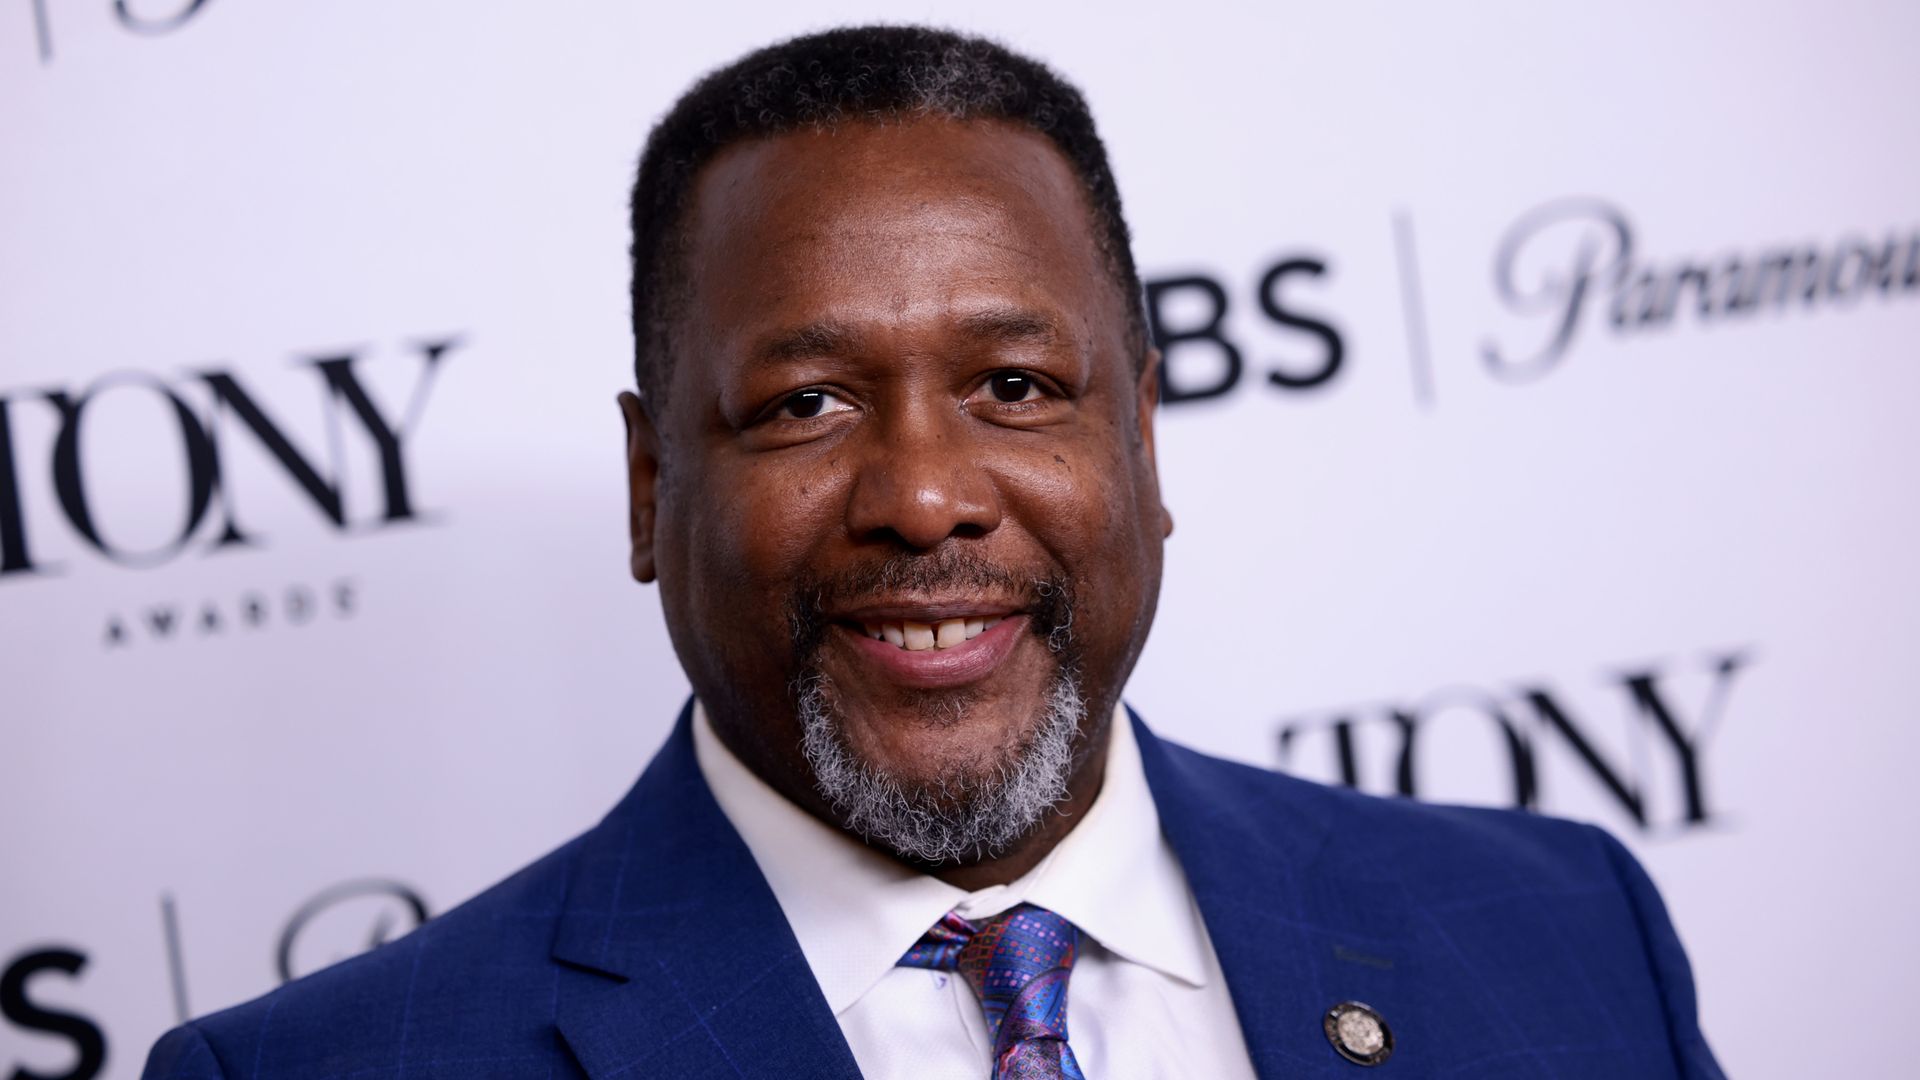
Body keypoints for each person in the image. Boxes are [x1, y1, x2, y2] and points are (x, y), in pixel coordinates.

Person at [143, 25, 1722, 1080]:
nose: (921, 496)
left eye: (1015, 388)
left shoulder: (1562, 931)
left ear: (1143, 440)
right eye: (805, 404)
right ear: (650, 485)